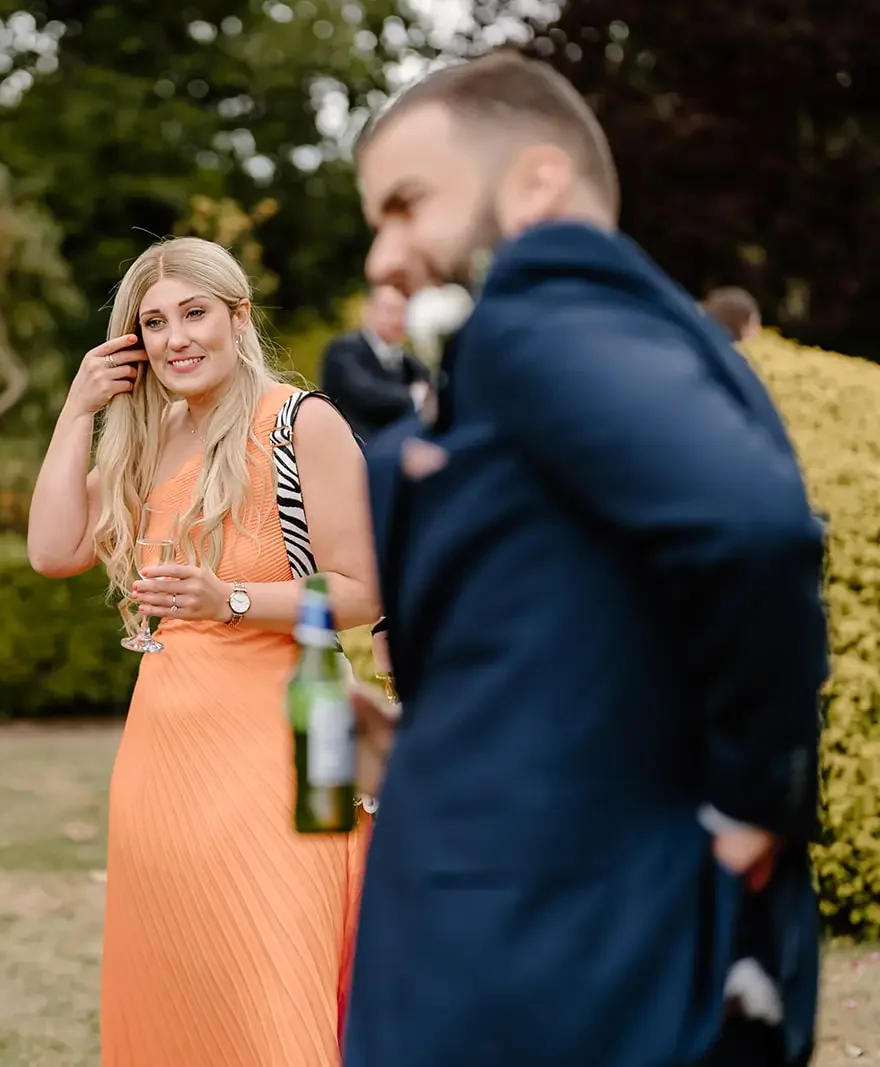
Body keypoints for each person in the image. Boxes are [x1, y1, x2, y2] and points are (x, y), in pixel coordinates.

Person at [345, 50, 828, 1067]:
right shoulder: (654, 337)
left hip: (531, 965)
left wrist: (758, 797)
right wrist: (452, 732)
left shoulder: (539, 313)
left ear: (536, 182)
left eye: (406, 205)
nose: (383, 257)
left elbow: (751, 526)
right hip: (583, 930)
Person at [28, 236, 381, 1065]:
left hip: (287, 747)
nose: (176, 338)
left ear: (239, 317)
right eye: (154, 323)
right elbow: (52, 548)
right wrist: (78, 411)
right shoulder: (146, 441)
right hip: (163, 757)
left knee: (274, 990)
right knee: (180, 994)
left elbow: (365, 589)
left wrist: (231, 600)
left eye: (194, 313)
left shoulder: (300, 423)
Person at [317, 283, 430, 441]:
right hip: (353, 444)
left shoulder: (408, 362)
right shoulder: (343, 350)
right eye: (390, 311)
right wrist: (413, 397)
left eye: (402, 312)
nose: (397, 319)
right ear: (369, 311)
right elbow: (365, 393)